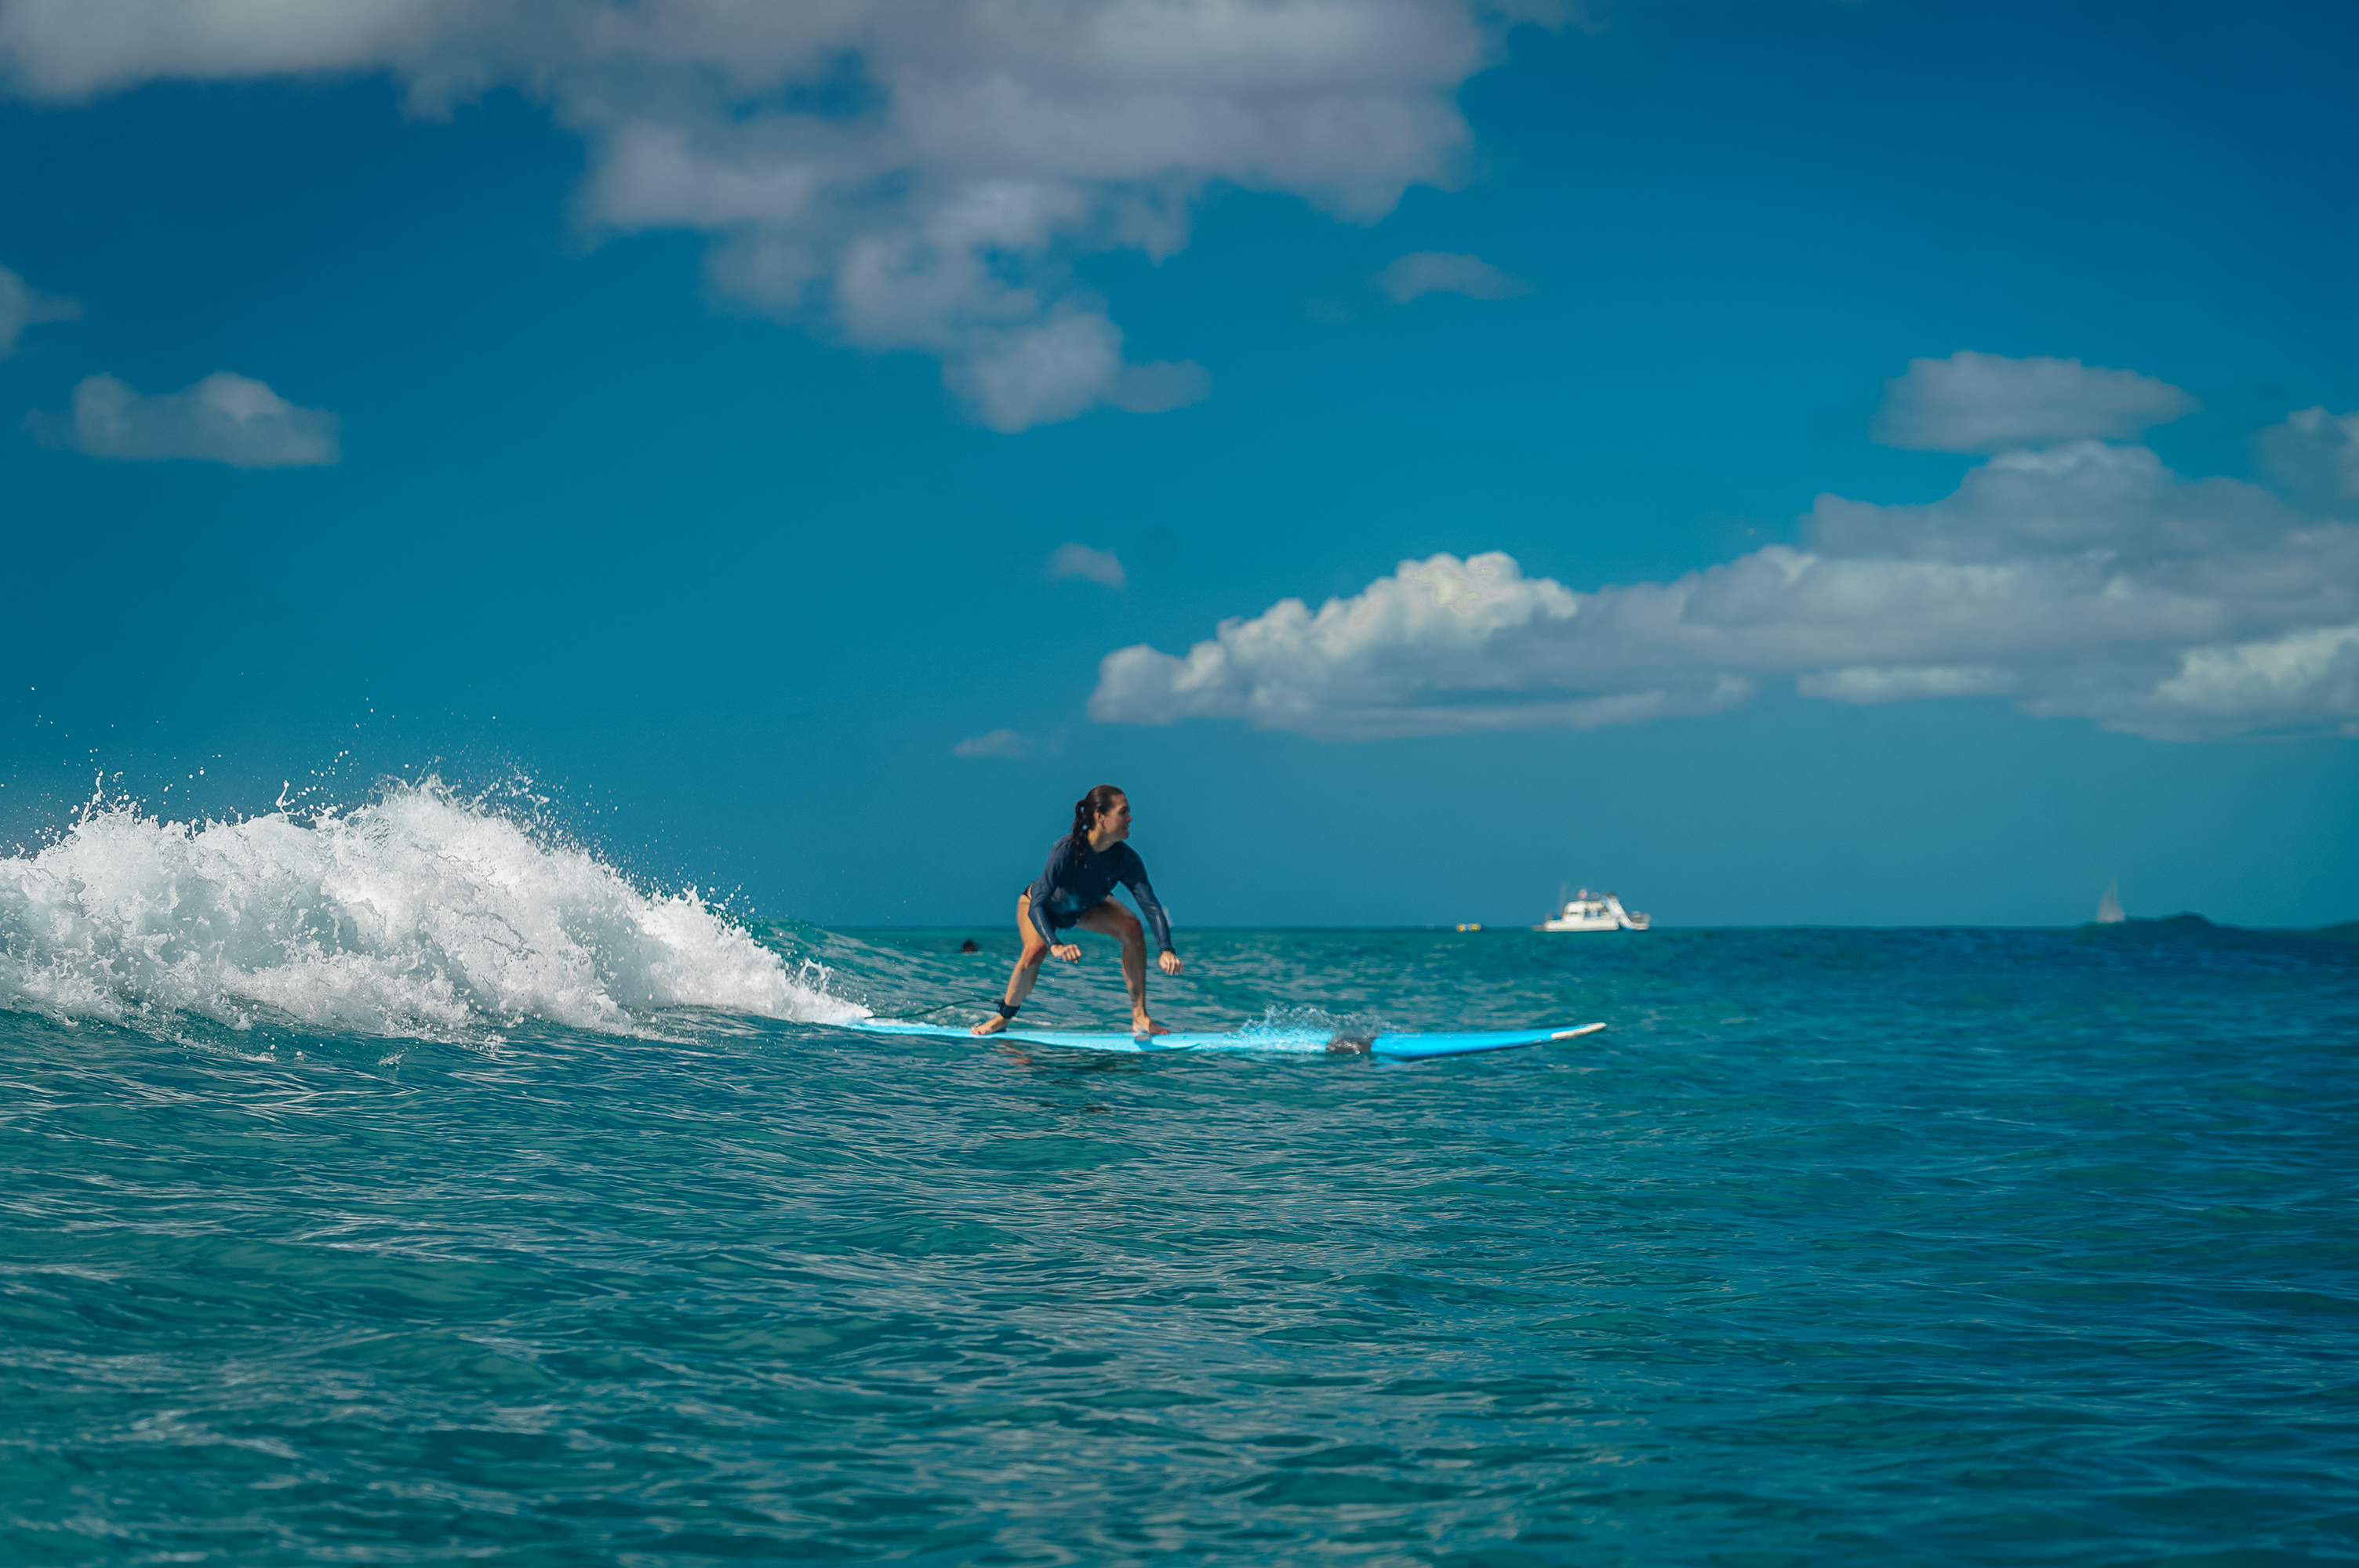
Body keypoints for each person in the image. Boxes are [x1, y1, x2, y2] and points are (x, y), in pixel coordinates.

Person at [972, 785, 1183, 1036]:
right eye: (1123, 812)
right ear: (1100, 817)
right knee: (1035, 950)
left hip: (1084, 908)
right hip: (1039, 907)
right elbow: (1038, 903)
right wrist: (1055, 945)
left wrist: (1166, 950)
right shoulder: (1068, 849)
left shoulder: (1126, 860)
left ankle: (1140, 1017)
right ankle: (1003, 1018)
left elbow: (1150, 904)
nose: (1130, 818)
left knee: (1132, 927)